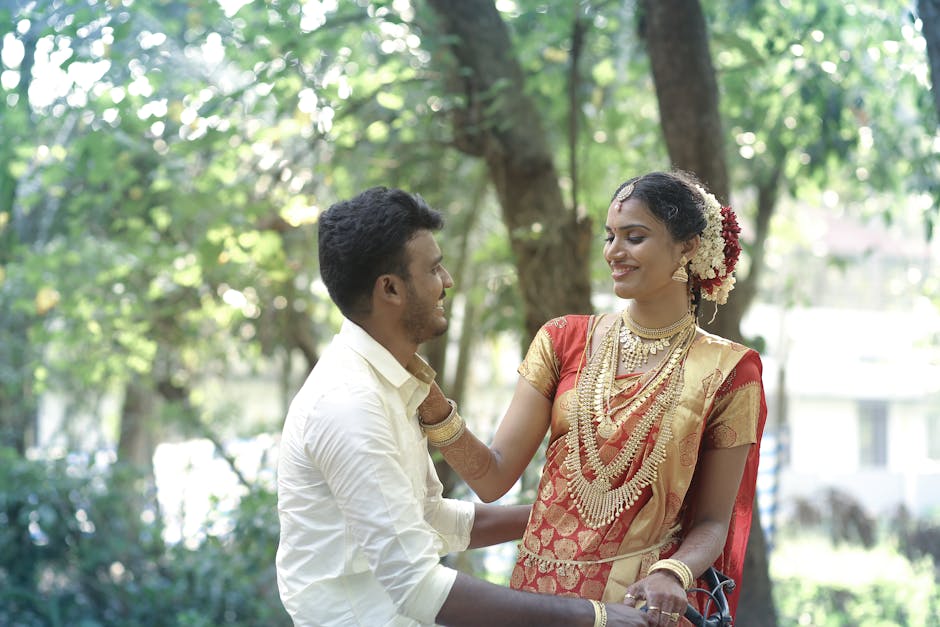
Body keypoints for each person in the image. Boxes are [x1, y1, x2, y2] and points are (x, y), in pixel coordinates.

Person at [275, 186, 651, 627]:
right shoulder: (351, 406)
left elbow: (429, 519)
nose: (448, 280)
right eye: (434, 268)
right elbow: (417, 588)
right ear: (390, 289)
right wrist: (595, 616)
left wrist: (563, 519)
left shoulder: (389, 382)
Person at [417, 171, 767, 627]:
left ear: (687, 247)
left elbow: (714, 522)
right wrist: (433, 405)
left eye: (634, 237)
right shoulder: (562, 340)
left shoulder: (729, 371)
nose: (614, 252)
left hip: (639, 606)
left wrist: (673, 573)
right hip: (538, 604)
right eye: (609, 236)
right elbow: (492, 477)